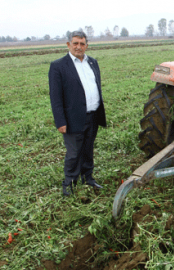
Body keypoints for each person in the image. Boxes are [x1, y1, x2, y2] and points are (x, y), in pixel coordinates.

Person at [49, 31, 107, 196]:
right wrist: (60, 121)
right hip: (72, 118)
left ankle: (88, 179)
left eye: (82, 44)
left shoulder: (93, 62)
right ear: (68, 45)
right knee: (74, 154)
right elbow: (56, 97)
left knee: (88, 150)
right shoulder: (58, 66)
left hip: (93, 115)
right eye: (75, 43)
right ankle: (69, 185)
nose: (78, 47)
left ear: (86, 45)